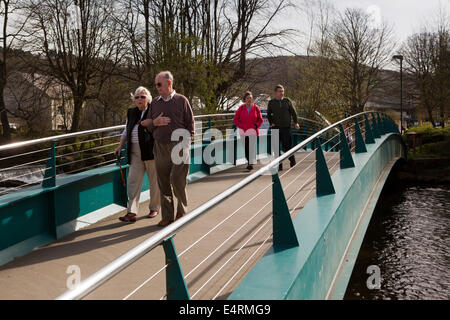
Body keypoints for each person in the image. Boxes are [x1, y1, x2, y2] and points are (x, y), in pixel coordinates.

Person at [141, 71, 195, 227]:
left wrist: (186, 144)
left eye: (159, 84)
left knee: (177, 180)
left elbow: (190, 124)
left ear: (169, 83)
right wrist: (155, 123)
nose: (157, 87)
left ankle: (182, 211)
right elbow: (149, 127)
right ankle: (167, 216)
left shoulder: (181, 100)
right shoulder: (155, 103)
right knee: (163, 183)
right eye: (156, 84)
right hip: (160, 146)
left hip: (179, 145)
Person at [114, 86, 162, 223]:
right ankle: (131, 212)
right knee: (133, 182)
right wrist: (120, 146)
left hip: (151, 151)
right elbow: (126, 131)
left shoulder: (154, 110)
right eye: (137, 97)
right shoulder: (131, 112)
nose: (139, 99)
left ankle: (154, 208)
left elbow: (160, 126)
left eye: (142, 96)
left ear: (148, 98)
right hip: (134, 151)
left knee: (154, 181)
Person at [267, 84, 300, 170]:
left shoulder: (287, 101)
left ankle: (292, 160)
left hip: (286, 127)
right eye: (280, 91)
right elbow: (269, 114)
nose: (282, 93)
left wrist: (296, 122)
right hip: (275, 128)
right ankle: (279, 165)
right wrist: (271, 123)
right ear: (275, 93)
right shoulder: (271, 103)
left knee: (287, 146)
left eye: (282, 91)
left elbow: (293, 112)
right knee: (276, 147)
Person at [233, 91, 263, 171]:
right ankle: (250, 161)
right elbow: (235, 119)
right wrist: (241, 126)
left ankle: (250, 163)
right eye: (247, 98)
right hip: (244, 132)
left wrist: (256, 125)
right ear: (244, 99)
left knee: (252, 147)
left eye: (250, 98)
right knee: (246, 148)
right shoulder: (241, 108)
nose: (249, 99)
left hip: (253, 131)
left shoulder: (256, 108)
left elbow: (260, 120)